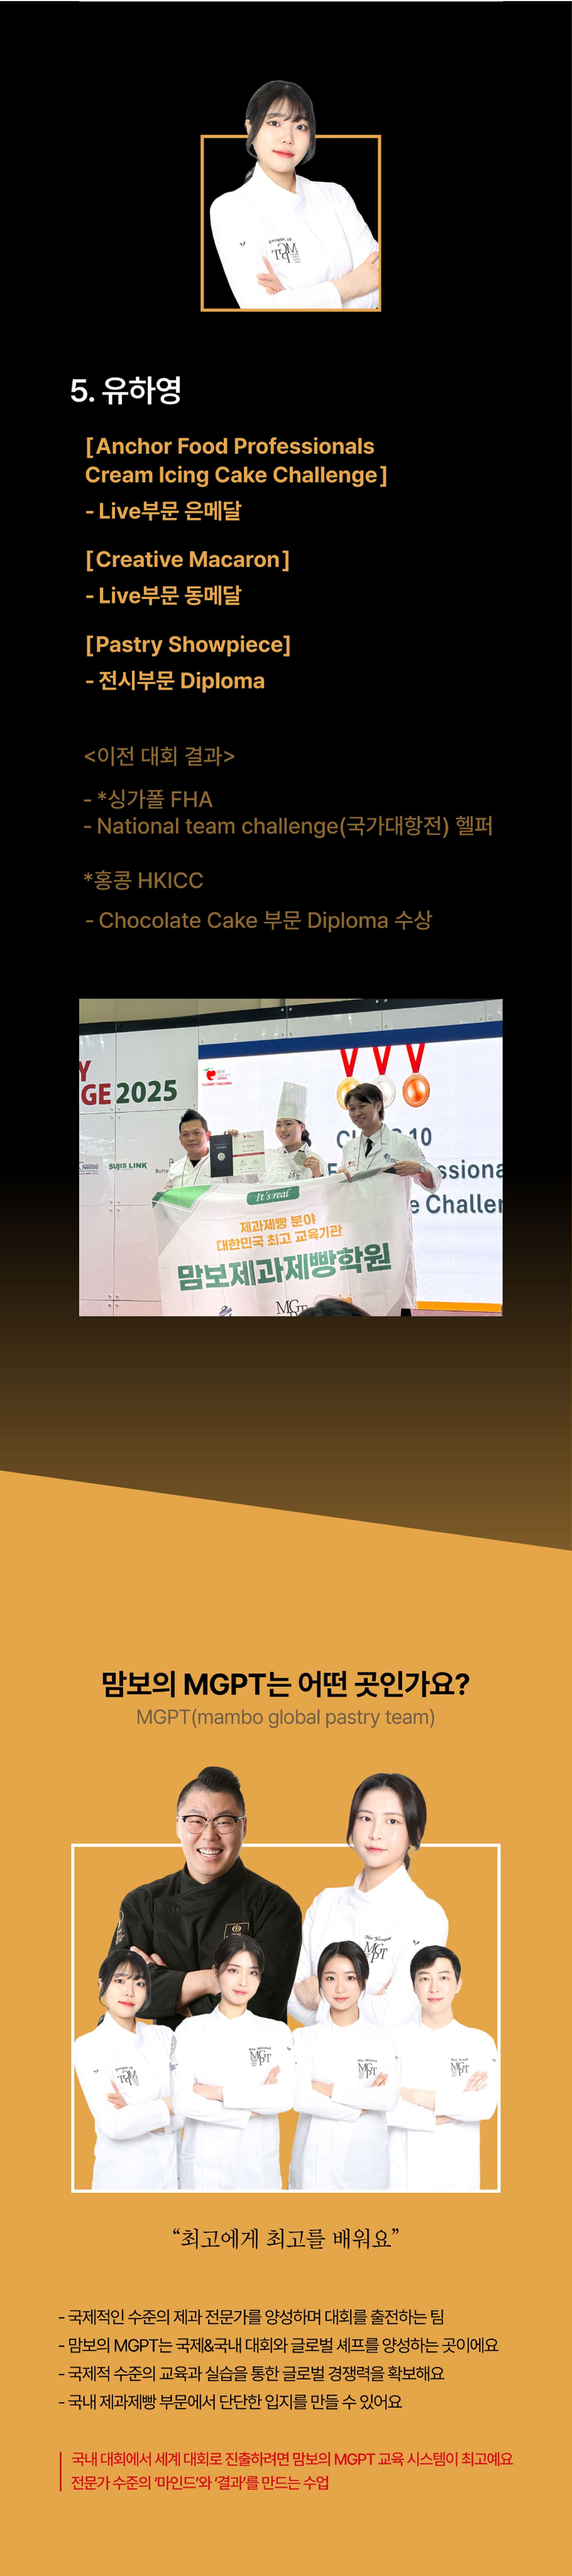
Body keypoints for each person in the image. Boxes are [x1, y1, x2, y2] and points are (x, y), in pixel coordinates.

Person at [110, 1765, 302, 2032]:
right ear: (178, 1827)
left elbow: (259, 2009)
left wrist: (167, 1992)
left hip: (250, 2057)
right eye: (196, 1821)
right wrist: (211, 1981)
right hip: (168, 2054)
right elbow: (119, 1992)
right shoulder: (143, 1903)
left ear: (244, 1827)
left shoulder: (275, 1907)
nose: (210, 1835)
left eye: (224, 1821)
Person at [288, 1772, 448, 2032]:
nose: (375, 1834)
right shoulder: (326, 1903)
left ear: (415, 1833)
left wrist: (319, 1999)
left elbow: (392, 2014)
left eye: (392, 1821)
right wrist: (366, 2003)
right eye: (366, 1818)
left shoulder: (426, 1915)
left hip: (389, 2058)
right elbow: (291, 1995)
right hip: (317, 2056)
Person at [210, 82, 379, 312]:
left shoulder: (336, 195)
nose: (288, 138)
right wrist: (351, 284)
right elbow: (260, 307)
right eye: (274, 123)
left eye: (300, 126)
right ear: (250, 128)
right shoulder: (230, 209)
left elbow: (378, 283)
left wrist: (292, 297)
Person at [172, 1938, 294, 2190]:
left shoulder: (276, 2032)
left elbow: (284, 2098)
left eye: (253, 1973)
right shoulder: (190, 2030)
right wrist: (253, 2107)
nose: (243, 1982)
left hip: (257, 2167)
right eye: (233, 1971)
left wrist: (217, 2093)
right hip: (206, 2168)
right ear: (216, 1972)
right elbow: (183, 2101)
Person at [289, 1944, 400, 2191]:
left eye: (350, 1978)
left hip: (367, 2165)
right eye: (330, 1978)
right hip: (315, 2166)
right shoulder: (303, 2039)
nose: (340, 1988)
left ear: (364, 1982)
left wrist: (327, 2090)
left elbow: (389, 2099)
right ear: (320, 1984)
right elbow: (301, 2098)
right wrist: (361, 2107)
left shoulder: (383, 2039)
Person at [387, 1946, 499, 2191]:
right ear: (414, 1986)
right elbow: (383, 2110)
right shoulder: (391, 2041)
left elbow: (485, 2106)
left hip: (457, 2179)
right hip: (400, 2177)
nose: (434, 1988)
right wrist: (453, 2110)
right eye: (425, 1978)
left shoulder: (479, 2042)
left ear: (458, 1984)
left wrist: (416, 2096)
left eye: (444, 1978)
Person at [73, 1949, 179, 2192]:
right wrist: (173, 2104)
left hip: (172, 2180)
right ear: (102, 1984)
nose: (129, 1992)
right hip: (122, 2184)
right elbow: (115, 2125)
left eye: (139, 1983)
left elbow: (187, 2114)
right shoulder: (89, 2046)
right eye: (120, 1981)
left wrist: (134, 2111)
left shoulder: (165, 2037)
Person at [339, 1084, 442, 1314]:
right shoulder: (349, 1148)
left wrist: (419, 1169)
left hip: (392, 1238)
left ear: (378, 1105)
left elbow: (434, 1180)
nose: (356, 1113)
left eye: (362, 1106)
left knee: (396, 1301)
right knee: (362, 1304)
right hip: (361, 1240)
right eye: (352, 1109)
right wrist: (339, 1179)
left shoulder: (402, 1143)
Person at [227, 1080, 327, 1182]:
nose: (283, 1130)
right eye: (278, 1125)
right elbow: (240, 1184)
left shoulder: (316, 1161)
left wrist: (317, 1175)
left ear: (302, 1127)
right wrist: (231, 1151)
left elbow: (327, 1191)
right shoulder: (266, 1158)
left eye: (288, 1124)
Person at [162, 1111, 212, 1189]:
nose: (191, 1138)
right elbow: (166, 1194)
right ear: (181, 1140)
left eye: (197, 1133)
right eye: (185, 1135)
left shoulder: (223, 1165)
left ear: (208, 1136)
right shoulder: (175, 1168)